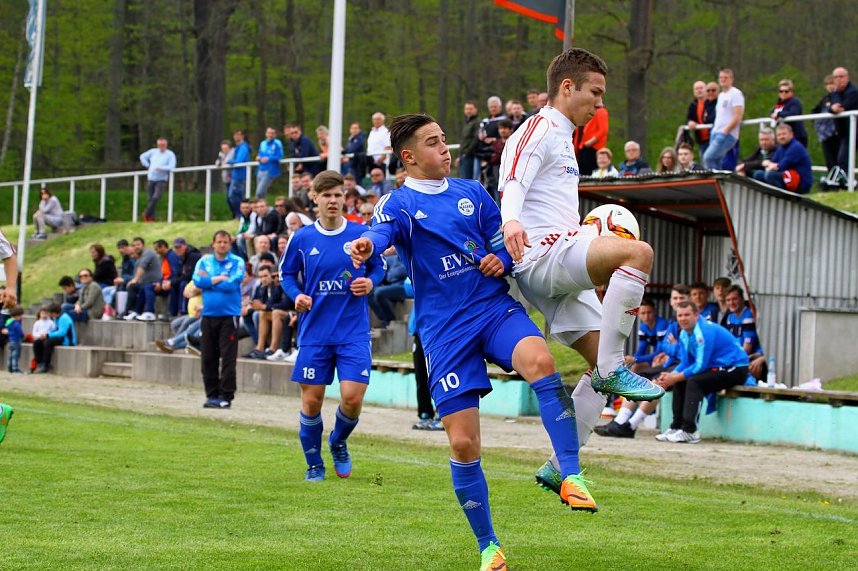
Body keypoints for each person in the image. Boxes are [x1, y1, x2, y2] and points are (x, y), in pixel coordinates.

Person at [351, 113, 601, 570]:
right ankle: (490, 547)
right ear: (407, 157)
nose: (445, 148)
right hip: (445, 332)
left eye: (444, 139)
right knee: (464, 444)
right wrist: (368, 244)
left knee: (541, 361)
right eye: (433, 142)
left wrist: (500, 258)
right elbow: (381, 232)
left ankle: (570, 473)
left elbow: (507, 240)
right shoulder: (398, 203)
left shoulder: (472, 192)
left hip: (492, 309)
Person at [498, 48, 664, 496]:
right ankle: (612, 367)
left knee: (599, 366)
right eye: (596, 92)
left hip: (554, 267)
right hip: (541, 257)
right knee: (639, 254)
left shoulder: (566, 138)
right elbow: (513, 179)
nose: (600, 104)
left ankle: (559, 465)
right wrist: (511, 219)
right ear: (566, 87)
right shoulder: (540, 127)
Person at [280, 170, 385, 483]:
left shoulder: (360, 234)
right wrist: (296, 295)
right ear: (315, 198)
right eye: (326, 195)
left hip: (353, 332)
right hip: (315, 333)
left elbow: (378, 267)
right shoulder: (302, 238)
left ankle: (338, 441)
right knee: (312, 402)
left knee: (352, 398)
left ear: (345, 198)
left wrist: (370, 282)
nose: (333, 201)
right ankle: (314, 464)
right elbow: (286, 275)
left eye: (338, 195)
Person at [655, 301, 749, 443]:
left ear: (696, 315)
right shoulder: (684, 334)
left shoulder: (704, 331)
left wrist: (674, 378)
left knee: (694, 381)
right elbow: (686, 363)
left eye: (687, 315)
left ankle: (690, 431)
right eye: (680, 315)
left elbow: (700, 365)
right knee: (681, 379)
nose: (683, 318)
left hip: (737, 368)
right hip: (717, 367)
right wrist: (671, 375)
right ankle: (677, 426)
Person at [594, 298, 668, 438]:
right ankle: (619, 415)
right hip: (657, 362)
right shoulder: (644, 327)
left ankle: (624, 417)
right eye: (643, 313)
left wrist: (635, 359)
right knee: (632, 370)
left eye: (649, 313)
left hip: (664, 362)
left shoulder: (662, 325)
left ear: (655, 312)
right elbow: (641, 350)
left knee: (641, 370)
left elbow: (659, 352)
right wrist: (633, 360)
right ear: (639, 314)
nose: (647, 316)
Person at [192, 230, 244, 409]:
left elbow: (232, 284)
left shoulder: (237, 262)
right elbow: (198, 281)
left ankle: (226, 395)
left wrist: (211, 282)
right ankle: (211, 394)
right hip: (208, 316)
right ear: (213, 244)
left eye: (225, 242)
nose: (222, 245)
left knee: (228, 357)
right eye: (219, 242)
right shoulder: (204, 261)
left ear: (229, 244)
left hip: (229, 316)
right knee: (207, 356)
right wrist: (217, 279)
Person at [753, 123, 813, 194]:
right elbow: (772, 163)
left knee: (770, 175)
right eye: (779, 135)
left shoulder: (796, 147)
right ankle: (767, 196)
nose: (781, 137)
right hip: (787, 177)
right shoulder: (781, 148)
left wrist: (772, 166)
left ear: (791, 134)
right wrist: (771, 166)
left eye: (784, 134)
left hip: (799, 182)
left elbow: (780, 166)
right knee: (758, 174)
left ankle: (784, 198)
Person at [703, 69, 744, 170]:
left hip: (727, 133)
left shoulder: (736, 93)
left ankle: (713, 180)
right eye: (721, 78)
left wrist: (726, 130)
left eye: (726, 78)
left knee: (708, 158)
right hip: (716, 132)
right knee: (717, 160)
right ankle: (719, 182)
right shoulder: (721, 96)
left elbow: (738, 115)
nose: (723, 80)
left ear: (731, 79)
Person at [829, 67, 858, 183]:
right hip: (847, 133)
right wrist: (832, 107)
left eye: (841, 77)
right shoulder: (836, 93)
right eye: (836, 77)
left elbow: (841, 107)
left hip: (855, 131)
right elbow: (832, 107)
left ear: (847, 78)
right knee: (842, 159)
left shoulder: (853, 92)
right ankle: (847, 183)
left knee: (844, 158)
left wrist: (834, 107)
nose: (838, 80)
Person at [368, 246, 407, 329]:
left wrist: (391, 275)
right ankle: (384, 320)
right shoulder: (393, 258)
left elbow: (400, 273)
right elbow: (381, 266)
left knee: (379, 292)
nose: (393, 248)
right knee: (369, 293)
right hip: (393, 285)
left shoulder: (408, 257)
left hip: (404, 286)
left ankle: (391, 320)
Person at [32, 302, 77, 373]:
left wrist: (48, 335)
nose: (50, 315)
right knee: (37, 342)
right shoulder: (57, 318)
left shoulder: (64, 318)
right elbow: (55, 329)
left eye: (50, 313)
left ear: (54, 313)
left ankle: (46, 365)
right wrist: (45, 334)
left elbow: (62, 333)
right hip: (60, 338)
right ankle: (40, 363)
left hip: (66, 340)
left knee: (48, 343)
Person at [139, 138, 177, 222]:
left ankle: (146, 213)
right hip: (151, 177)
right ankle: (151, 218)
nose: (161, 147)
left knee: (156, 197)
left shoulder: (170, 154)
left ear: (166, 145)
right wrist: (147, 165)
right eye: (160, 145)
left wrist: (162, 168)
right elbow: (142, 156)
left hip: (161, 179)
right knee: (150, 198)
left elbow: (172, 166)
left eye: (163, 145)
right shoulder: (153, 152)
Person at [812, 75, 840, 174]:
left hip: (837, 133)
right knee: (829, 160)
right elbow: (815, 111)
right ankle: (832, 180)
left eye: (832, 83)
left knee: (839, 159)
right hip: (825, 134)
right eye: (827, 84)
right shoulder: (825, 99)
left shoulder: (839, 96)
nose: (830, 86)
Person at [725, 285, 763, 357]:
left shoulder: (748, 315)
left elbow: (747, 349)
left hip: (751, 358)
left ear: (742, 299)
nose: (731, 303)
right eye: (728, 300)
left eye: (734, 299)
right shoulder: (730, 317)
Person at [770, 79, 808, 147]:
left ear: (791, 92)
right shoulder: (779, 104)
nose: (783, 93)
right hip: (784, 137)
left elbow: (793, 113)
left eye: (786, 91)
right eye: (781, 91)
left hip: (797, 136)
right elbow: (772, 112)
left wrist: (778, 114)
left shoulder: (795, 102)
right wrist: (773, 114)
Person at [573, 105, 609, 176]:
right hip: (582, 149)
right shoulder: (585, 114)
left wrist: (589, 142)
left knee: (590, 175)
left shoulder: (601, 111)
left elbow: (603, 130)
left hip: (593, 149)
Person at [227, 130, 252, 218]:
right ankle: (240, 215)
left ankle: (240, 215)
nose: (236, 137)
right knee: (237, 196)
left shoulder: (243, 147)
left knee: (234, 196)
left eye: (238, 135)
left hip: (240, 175)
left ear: (242, 136)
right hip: (236, 175)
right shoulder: (237, 147)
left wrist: (229, 161)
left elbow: (239, 161)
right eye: (235, 135)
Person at [686, 80, 713, 156]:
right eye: (696, 89)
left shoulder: (712, 103)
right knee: (704, 164)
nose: (699, 90)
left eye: (701, 88)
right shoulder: (693, 105)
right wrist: (690, 122)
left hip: (713, 138)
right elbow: (688, 118)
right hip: (701, 140)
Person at [256, 127, 284, 199]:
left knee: (259, 192)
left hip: (270, 170)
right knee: (262, 193)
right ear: (266, 134)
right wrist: (258, 157)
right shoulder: (263, 143)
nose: (270, 135)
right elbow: (260, 154)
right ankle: (262, 208)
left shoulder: (276, 144)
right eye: (269, 133)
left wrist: (269, 158)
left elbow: (280, 156)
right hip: (261, 169)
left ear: (275, 135)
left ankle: (262, 208)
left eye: (272, 133)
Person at [457, 101, 481, 180]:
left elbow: (476, 139)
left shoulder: (477, 122)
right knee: (462, 179)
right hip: (463, 155)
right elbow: (464, 140)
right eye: (467, 109)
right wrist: (459, 156)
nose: (468, 111)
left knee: (468, 180)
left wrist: (467, 152)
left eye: (470, 109)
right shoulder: (467, 122)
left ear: (476, 110)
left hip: (471, 156)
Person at [3, 306, 24, 373]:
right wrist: (23, 336)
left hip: (10, 341)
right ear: (17, 315)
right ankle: (15, 368)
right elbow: (20, 332)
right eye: (20, 316)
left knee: (11, 355)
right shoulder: (16, 323)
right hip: (16, 341)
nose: (21, 317)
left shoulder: (9, 322)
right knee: (16, 355)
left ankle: (10, 367)